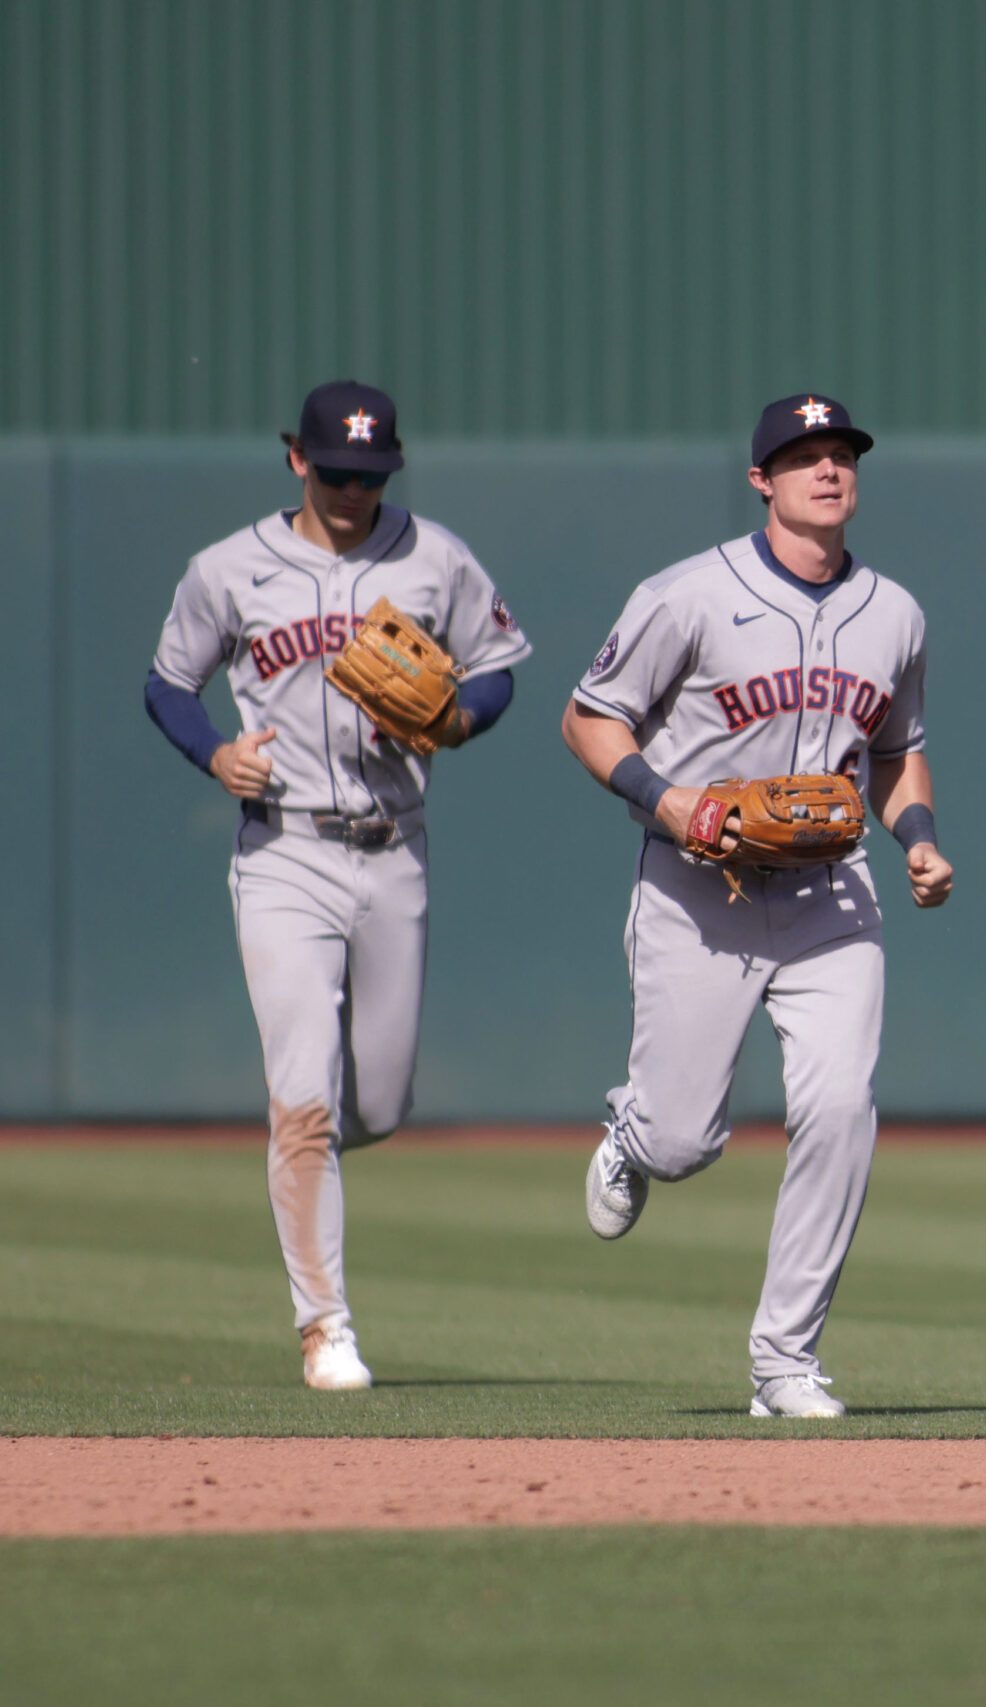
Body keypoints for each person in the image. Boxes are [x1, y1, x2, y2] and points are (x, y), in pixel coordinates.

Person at [565, 393, 952, 1419]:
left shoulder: (896, 614)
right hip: (701, 895)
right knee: (685, 1143)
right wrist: (667, 799)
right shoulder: (686, 595)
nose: (826, 469)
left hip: (834, 894)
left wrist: (915, 840)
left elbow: (896, 753)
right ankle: (632, 1134)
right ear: (761, 480)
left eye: (840, 453)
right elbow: (588, 719)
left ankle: (784, 1361)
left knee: (837, 1111)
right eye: (801, 455)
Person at [145, 380, 530, 1390]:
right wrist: (216, 757)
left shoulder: (432, 555)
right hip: (284, 852)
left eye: (374, 472)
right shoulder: (229, 568)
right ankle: (326, 1328)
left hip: (395, 847)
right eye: (338, 471)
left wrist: (461, 720)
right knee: (306, 1097)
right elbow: (167, 681)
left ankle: (298, 1157)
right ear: (296, 460)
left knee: (383, 1102)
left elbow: (498, 666)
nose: (356, 488)